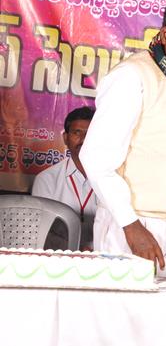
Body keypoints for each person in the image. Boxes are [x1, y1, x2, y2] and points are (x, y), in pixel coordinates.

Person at [80, 0, 166, 277]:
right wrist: (130, 225)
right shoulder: (133, 76)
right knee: (122, 304)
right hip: (133, 225)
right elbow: (95, 159)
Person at [32, 106, 97, 250]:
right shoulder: (46, 180)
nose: (83, 139)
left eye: (89, 133)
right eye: (77, 132)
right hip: (61, 256)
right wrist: (77, 250)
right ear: (65, 138)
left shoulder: (112, 178)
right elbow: (42, 230)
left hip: (103, 255)